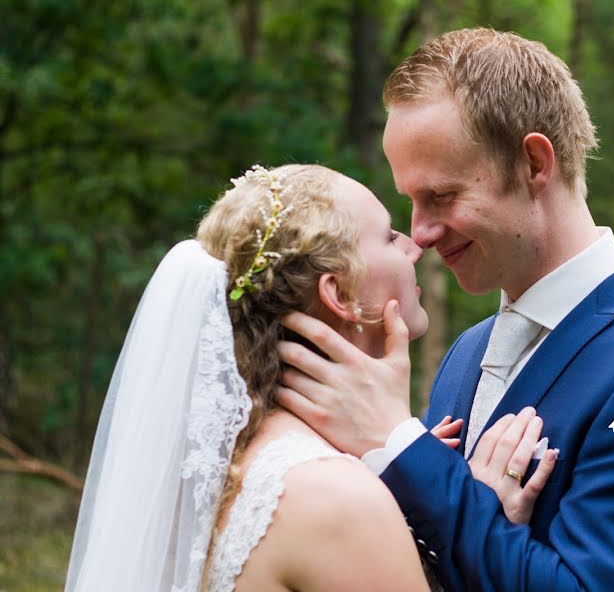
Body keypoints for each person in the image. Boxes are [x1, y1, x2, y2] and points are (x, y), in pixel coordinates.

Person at [276, 28, 614, 591]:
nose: (419, 234)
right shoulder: (469, 352)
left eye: (440, 196)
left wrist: (399, 446)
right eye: (410, 202)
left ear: (534, 164)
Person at [64, 164, 552, 591]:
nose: (414, 245)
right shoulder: (336, 498)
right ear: (339, 292)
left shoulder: (226, 464)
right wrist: (481, 521)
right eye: (387, 236)